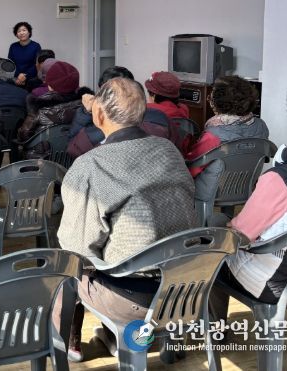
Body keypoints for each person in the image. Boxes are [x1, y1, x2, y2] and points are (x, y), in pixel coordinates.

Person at [56, 77, 196, 361]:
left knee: (64, 271)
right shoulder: (169, 150)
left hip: (132, 298)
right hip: (185, 287)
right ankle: (118, 336)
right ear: (143, 112)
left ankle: (66, 346)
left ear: (98, 114)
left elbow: (77, 249)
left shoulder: (90, 165)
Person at [209, 83, 287, 321]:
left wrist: (227, 226)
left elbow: (242, 233)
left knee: (212, 255)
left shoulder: (280, 179)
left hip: (279, 282)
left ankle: (217, 331)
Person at [185, 76, 269, 217]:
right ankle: (228, 216)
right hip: (244, 186)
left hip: (212, 190)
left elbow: (193, 167)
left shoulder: (213, 134)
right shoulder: (261, 126)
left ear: (217, 103)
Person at [67, 65, 182, 160]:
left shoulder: (99, 128)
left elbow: (73, 149)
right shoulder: (160, 117)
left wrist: (86, 112)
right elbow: (178, 151)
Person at [17, 61, 91, 141]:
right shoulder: (87, 106)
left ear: (50, 86)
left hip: (44, 149)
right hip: (78, 148)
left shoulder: (37, 109)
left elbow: (23, 136)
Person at [144, 71, 191, 151]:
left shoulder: (147, 110)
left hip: (156, 153)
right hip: (180, 153)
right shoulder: (184, 109)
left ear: (154, 95)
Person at [8, 21, 42, 87]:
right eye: (19, 31)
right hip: (16, 77)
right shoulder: (13, 46)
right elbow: (11, 63)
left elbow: (37, 64)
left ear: (29, 32)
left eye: (24, 30)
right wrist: (18, 75)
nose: (21, 33)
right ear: (16, 34)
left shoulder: (36, 46)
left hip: (31, 77)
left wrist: (25, 76)